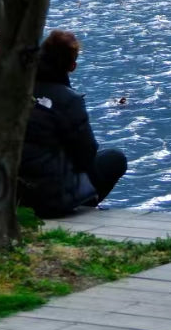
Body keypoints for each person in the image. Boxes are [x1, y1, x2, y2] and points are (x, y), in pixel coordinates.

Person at [18, 29, 128, 218]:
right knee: (114, 158)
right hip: (51, 199)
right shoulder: (69, 100)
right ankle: (88, 202)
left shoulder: (16, 92)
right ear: (72, 66)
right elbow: (86, 153)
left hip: (14, 194)